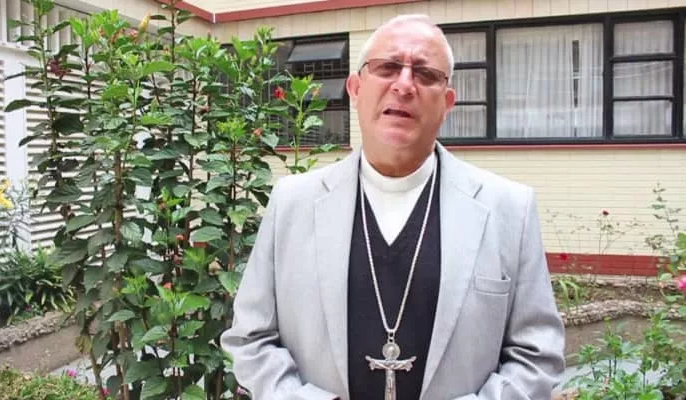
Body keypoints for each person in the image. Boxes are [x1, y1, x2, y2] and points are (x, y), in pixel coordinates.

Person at [220, 14, 565, 400]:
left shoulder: (509, 209)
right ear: (355, 89)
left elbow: (537, 355)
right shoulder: (292, 203)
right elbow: (250, 340)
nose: (404, 85)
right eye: (387, 67)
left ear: (447, 102)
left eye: (425, 74)